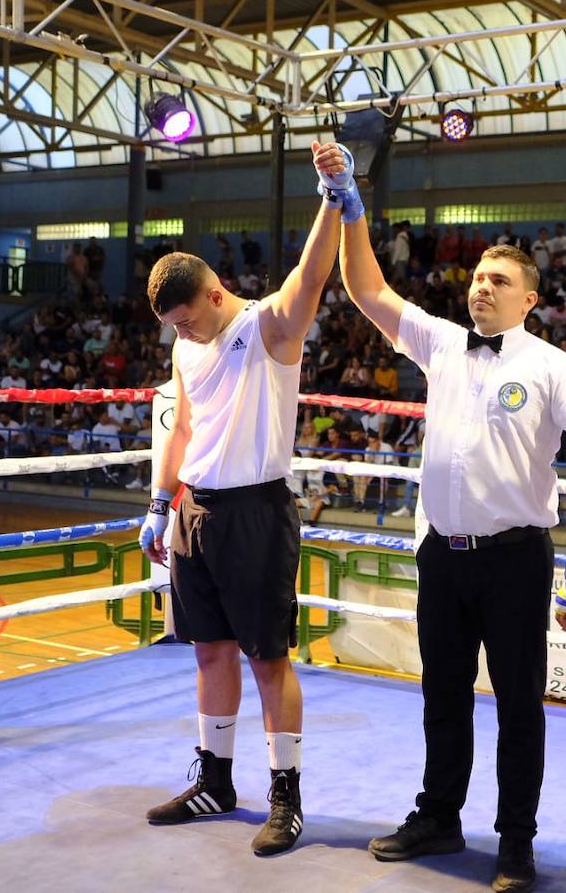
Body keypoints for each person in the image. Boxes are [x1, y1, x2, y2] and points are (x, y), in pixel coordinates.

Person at [316, 143, 566, 893]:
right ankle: (439, 814)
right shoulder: (441, 342)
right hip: (441, 555)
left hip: (516, 558)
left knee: (520, 705)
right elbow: (364, 287)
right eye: (479, 276)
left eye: (500, 280)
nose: (483, 286)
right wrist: (346, 201)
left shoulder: (553, 366)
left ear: (529, 300)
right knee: (442, 694)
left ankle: (515, 841)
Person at [137, 143, 344, 857]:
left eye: (188, 318)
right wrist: (161, 503)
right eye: (174, 325)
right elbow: (184, 424)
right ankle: (216, 779)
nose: (183, 331)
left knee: (267, 657)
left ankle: (285, 793)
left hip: (258, 511)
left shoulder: (266, 328)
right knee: (209, 652)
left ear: (215, 292)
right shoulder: (184, 347)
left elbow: (311, 275)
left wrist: (333, 193)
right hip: (196, 511)